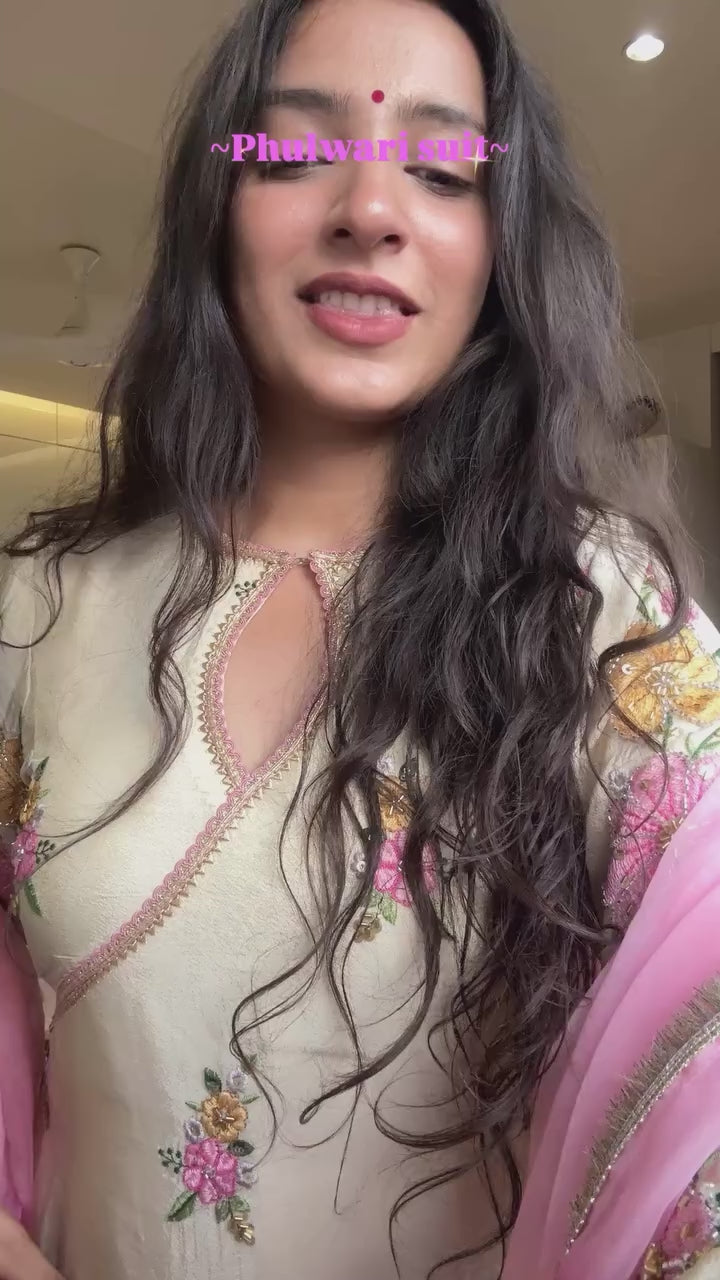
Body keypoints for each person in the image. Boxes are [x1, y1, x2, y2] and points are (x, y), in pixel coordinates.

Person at [1, 0, 720, 1276]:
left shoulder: (600, 612)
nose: (372, 209)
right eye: (294, 152)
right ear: (216, 204)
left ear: (500, 245)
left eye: (444, 171)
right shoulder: (39, 607)